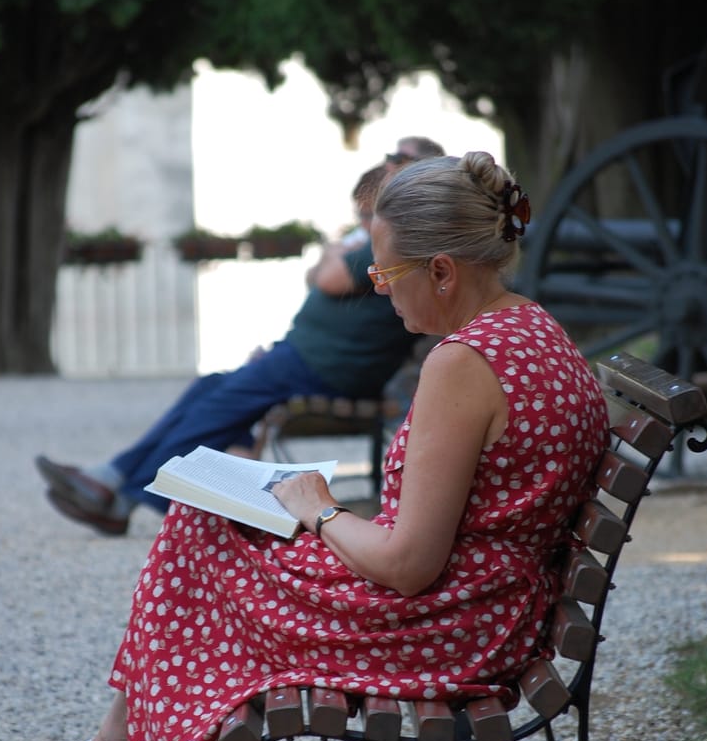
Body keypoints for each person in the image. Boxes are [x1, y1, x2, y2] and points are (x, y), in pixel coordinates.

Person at [30, 150, 609, 741]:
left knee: (197, 539)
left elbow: (409, 563)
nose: (381, 287)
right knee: (206, 532)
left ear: (441, 270)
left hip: (450, 630)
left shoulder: (462, 362)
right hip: (490, 608)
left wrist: (320, 508)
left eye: (386, 273)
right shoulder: (531, 327)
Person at [36, 137, 444, 536]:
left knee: (220, 406)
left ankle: (120, 491)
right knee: (211, 387)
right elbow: (316, 274)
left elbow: (329, 278)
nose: (388, 164)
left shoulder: (398, 238)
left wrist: (338, 252)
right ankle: (112, 479)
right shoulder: (378, 233)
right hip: (304, 358)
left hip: (330, 369)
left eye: (401, 158)